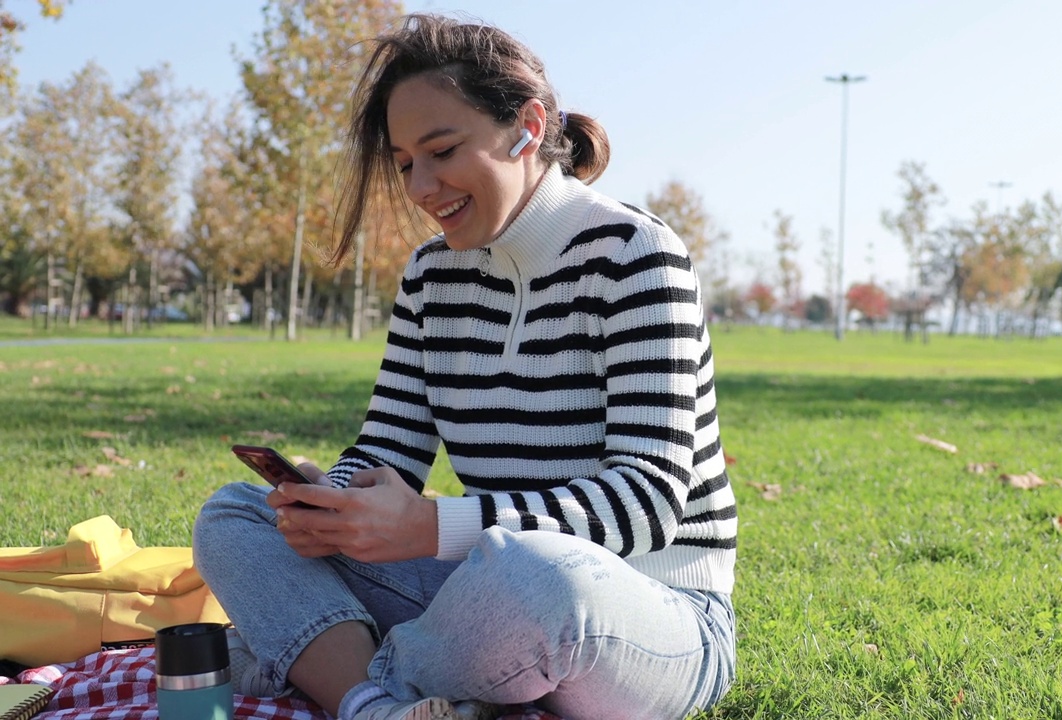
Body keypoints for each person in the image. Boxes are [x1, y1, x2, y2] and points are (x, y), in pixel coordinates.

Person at [192, 12, 737, 720]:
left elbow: (647, 500)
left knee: (535, 576)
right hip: (477, 585)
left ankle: (315, 662)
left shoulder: (636, 256)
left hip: (646, 612)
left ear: (528, 127)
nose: (422, 187)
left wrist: (432, 527)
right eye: (405, 162)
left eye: (442, 150)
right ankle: (376, 705)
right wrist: (332, 499)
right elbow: (389, 446)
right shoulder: (430, 275)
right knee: (237, 516)